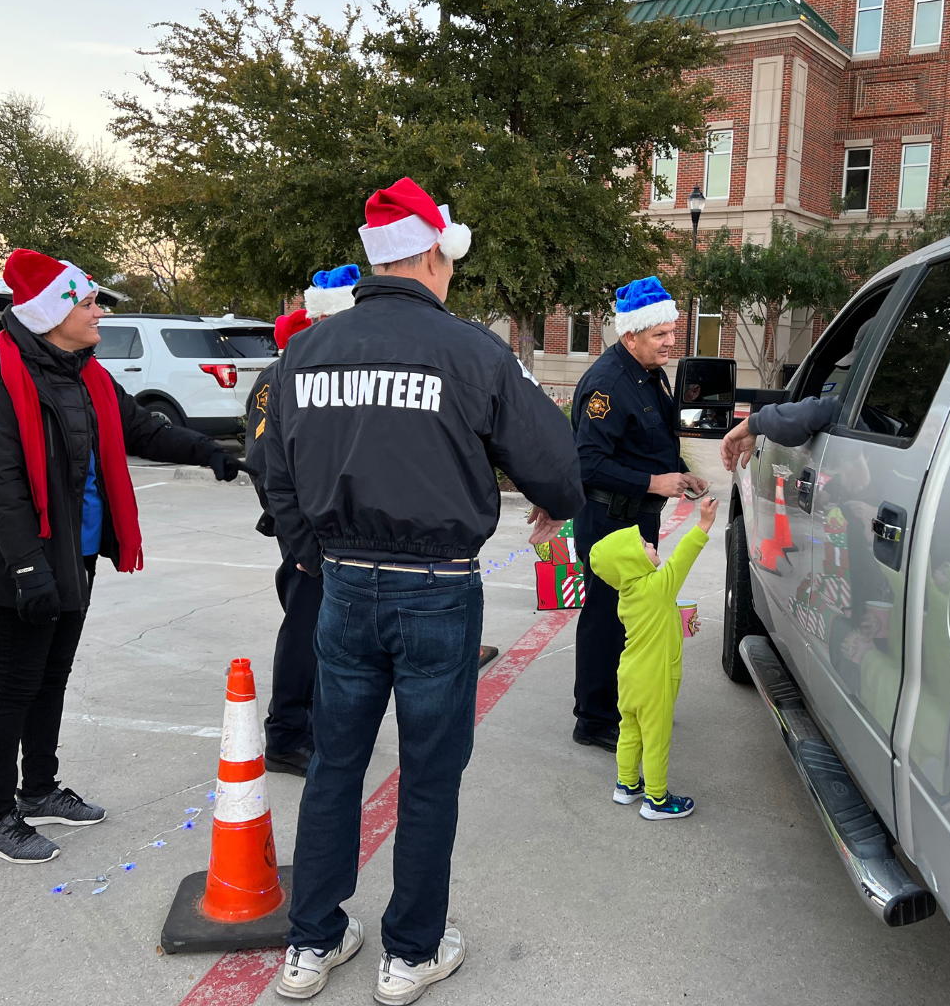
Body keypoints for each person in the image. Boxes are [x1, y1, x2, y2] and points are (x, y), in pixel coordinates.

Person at [265, 177, 584, 1003]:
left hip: (343, 585)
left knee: (336, 761)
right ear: (435, 254)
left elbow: (275, 471)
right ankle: (409, 953)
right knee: (430, 772)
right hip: (436, 589)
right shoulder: (473, 352)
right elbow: (557, 466)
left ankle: (313, 941)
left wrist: (312, 555)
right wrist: (554, 499)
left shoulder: (306, 351)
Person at [0, 249, 242, 864]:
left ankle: (37, 790)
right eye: (87, 304)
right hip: (22, 563)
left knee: (51, 678)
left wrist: (207, 450)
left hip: (73, 554)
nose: (98, 314)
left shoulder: (84, 374)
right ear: (50, 314)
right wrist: (28, 567)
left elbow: (140, 428)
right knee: (13, 686)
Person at [570, 276, 708, 753]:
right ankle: (593, 718)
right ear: (630, 336)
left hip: (637, 519)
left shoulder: (649, 374)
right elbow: (587, 462)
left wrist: (680, 471)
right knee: (607, 618)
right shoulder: (608, 383)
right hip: (609, 519)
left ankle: (625, 705)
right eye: (660, 335)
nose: (671, 342)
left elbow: (650, 440)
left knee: (633, 618)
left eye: (673, 332)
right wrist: (654, 483)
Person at [244, 268, 358, 775]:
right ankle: (288, 734)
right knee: (306, 628)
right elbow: (266, 466)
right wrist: (300, 540)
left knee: (335, 635)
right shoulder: (283, 375)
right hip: (304, 532)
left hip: (342, 529)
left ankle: (320, 725)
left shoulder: (339, 369)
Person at [589, 495, 718, 819]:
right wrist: (703, 523)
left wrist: (682, 622)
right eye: (644, 545)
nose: (651, 544)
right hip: (655, 679)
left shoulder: (628, 596)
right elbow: (683, 559)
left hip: (630, 676)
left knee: (630, 732)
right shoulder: (659, 587)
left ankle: (626, 784)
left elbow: (657, 623)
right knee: (656, 740)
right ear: (632, 562)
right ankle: (657, 800)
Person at [720, 318, 875, 471]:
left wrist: (752, 424)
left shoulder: (849, 415)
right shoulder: (878, 420)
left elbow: (824, 410)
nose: (858, 379)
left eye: (864, 370)